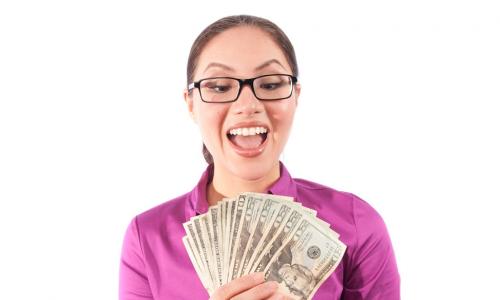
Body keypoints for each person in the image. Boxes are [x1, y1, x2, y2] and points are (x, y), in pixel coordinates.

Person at [119, 14, 400, 300]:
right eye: (219, 87)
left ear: (295, 96)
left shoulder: (357, 224)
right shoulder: (147, 238)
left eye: (269, 85)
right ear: (191, 104)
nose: (247, 104)